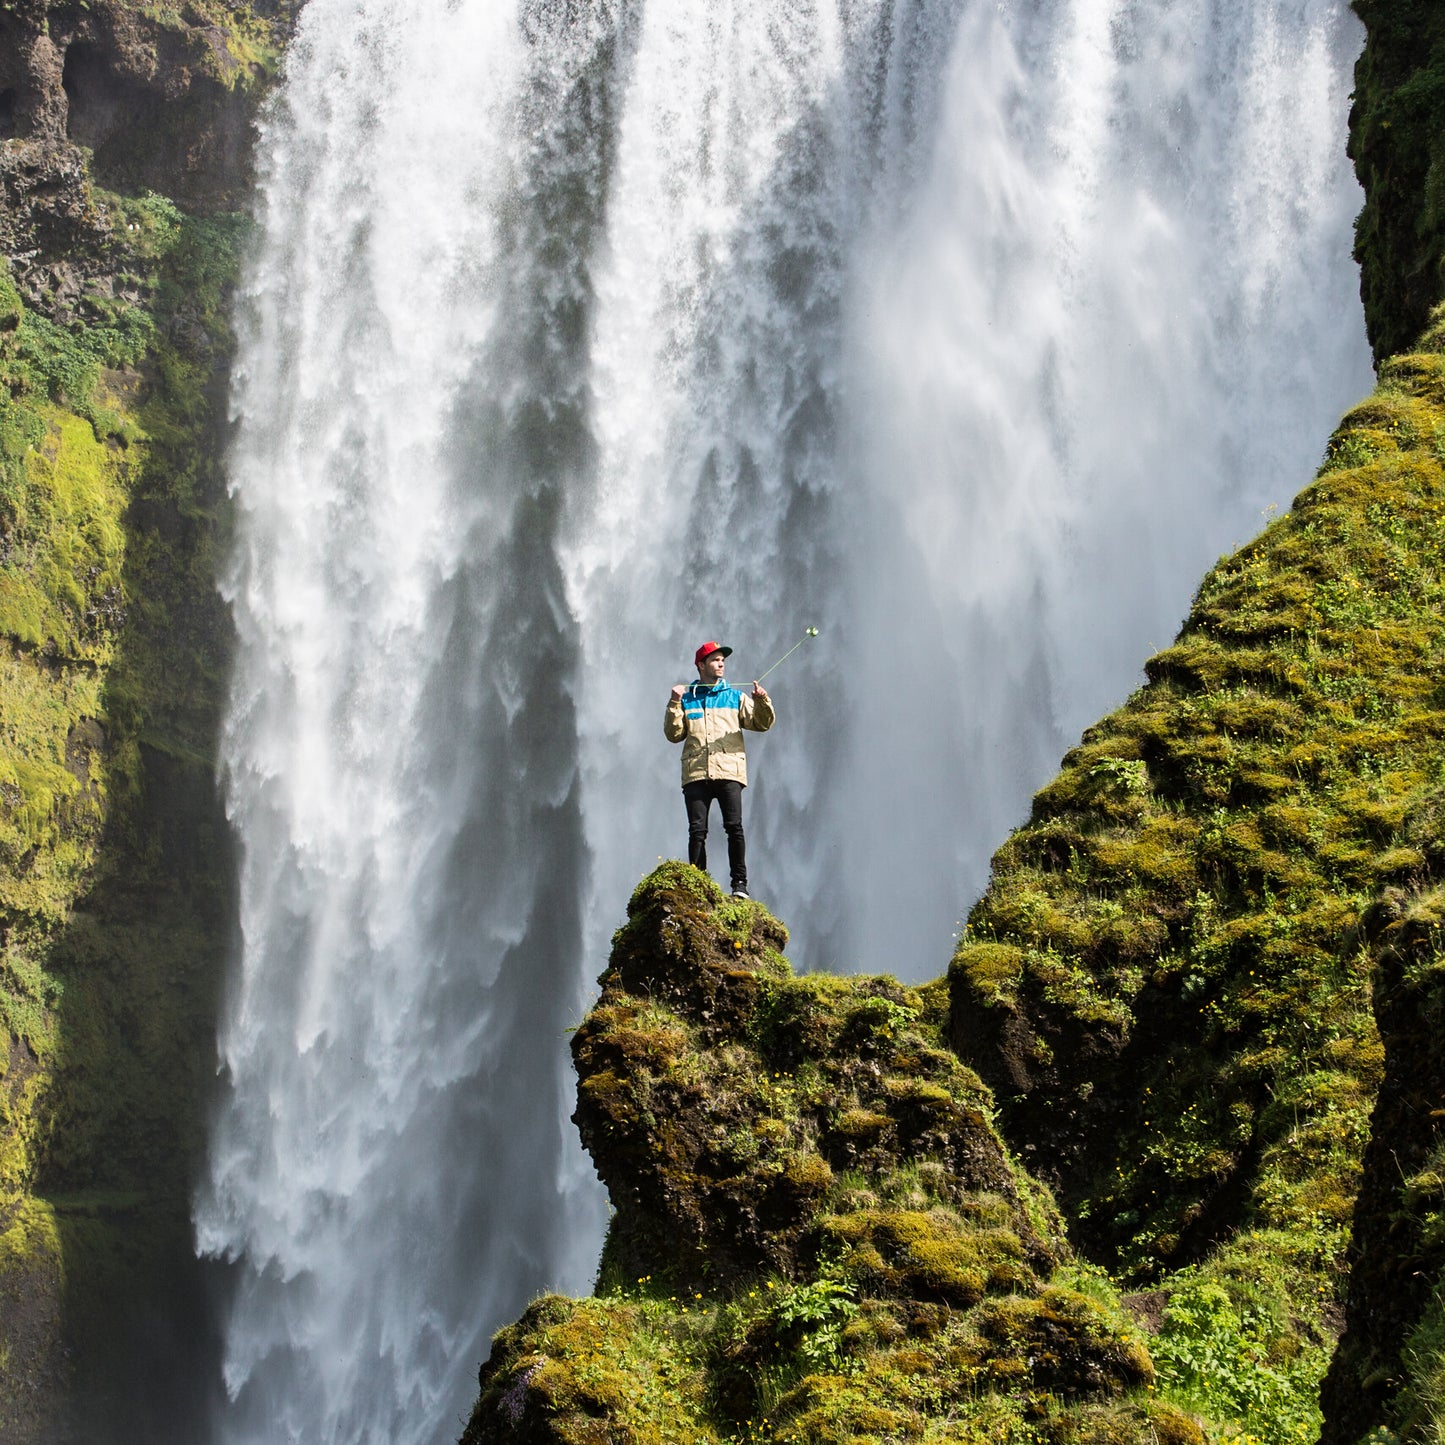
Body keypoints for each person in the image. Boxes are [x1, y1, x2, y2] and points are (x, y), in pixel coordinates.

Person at [664, 641, 775, 898]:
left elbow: (761, 723)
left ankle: (740, 885)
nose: (721, 663)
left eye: (722, 660)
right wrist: (673, 703)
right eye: (715, 660)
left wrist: (762, 701)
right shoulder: (687, 698)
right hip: (696, 773)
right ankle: (698, 885)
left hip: (728, 771)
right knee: (697, 831)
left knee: (734, 827)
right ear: (701, 665)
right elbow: (674, 734)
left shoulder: (736, 697)